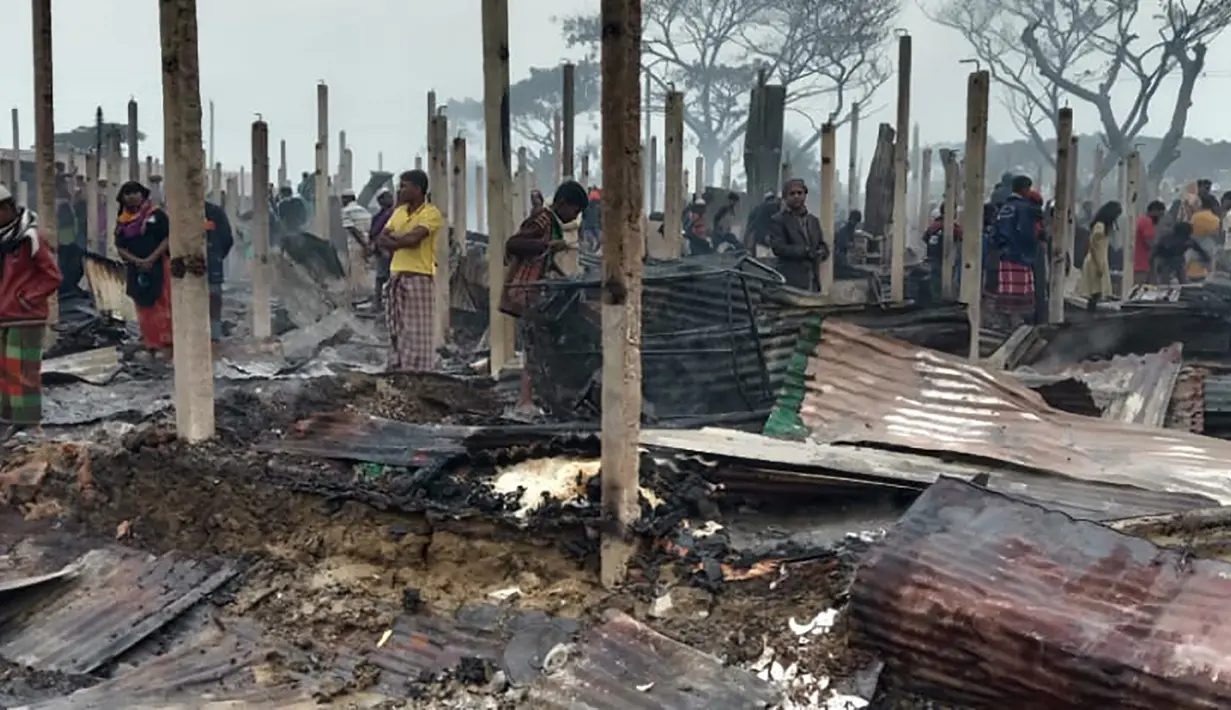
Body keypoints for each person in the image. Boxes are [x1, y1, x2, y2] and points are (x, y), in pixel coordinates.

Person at [500, 181, 589, 415]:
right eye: (575, 211)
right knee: (532, 344)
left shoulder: (552, 223)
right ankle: (526, 400)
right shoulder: (543, 220)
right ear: (562, 203)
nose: (574, 216)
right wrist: (548, 244)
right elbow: (514, 243)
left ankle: (537, 396)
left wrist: (567, 279)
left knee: (539, 343)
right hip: (527, 290)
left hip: (536, 291)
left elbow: (546, 261)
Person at [0, 185, 62, 439]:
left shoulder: (30, 237)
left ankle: (29, 423)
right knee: (4, 369)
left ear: (7, 209)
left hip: (25, 316)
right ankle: (8, 418)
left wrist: (27, 298)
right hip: (4, 315)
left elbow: (52, 276)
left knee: (22, 369)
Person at [376, 170, 443, 372]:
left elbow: (413, 241)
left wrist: (395, 240)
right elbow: (380, 239)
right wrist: (401, 239)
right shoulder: (398, 213)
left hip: (419, 277)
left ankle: (418, 371)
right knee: (396, 328)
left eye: (404, 186)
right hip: (397, 275)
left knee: (417, 331)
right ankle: (400, 367)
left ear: (418, 188)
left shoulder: (430, 213)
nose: (400, 190)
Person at [114, 181, 173, 358]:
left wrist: (151, 258)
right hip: (135, 268)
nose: (131, 196)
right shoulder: (121, 221)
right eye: (127, 193)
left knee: (161, 303)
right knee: (142, 305)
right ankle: (151, 342)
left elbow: (167, 238)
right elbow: (120, 246)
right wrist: (138, 261)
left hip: (159, 265)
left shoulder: (156, 215)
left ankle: (166, 342)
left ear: (143, 195)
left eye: (135, 192)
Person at [990, 176, 1042, 325]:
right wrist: (1030, 250)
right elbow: (1027, 233)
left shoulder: (1004, 206)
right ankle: (1016, 323)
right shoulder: (1024, 207)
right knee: (1020, 295)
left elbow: (997, 230)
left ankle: (1004, 321)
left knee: (1006, 291)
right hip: (1020, 255)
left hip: (1004, 255)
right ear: (1024, 189)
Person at [769, 179, 827, 291]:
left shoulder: (813, 221)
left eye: (800, 193)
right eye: (792, 193)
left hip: (812, 280)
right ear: (785, 198)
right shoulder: (779, 220)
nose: (796, 196)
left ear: (805, 196)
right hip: (791, 280)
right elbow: (778, 248)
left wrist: (821, 252)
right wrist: (805, 251)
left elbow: (821, 244)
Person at [1082, 201, 1121, 311]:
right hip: (1096, 262)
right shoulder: (1100, 226)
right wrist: (1099, 265)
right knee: (1095, 292)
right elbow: (1094, 246)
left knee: (1097, 291)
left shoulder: (1101, 226)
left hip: (1098, 261)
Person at [204, 200, 234, 343]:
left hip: (212, 263)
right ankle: (212, 335)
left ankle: (214, 335)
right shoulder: (176, 211)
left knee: (213, 298)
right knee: (213, 299)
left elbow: (226, 238)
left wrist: (216, 254)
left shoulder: (215, 212)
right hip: (205, 263)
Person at [340, 188, 374, 305]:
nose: (341, 202)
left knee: (357, 270)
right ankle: (356, 294)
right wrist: (368, 244)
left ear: (346, 199)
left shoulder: (346, 211)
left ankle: (362, 297)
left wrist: (364, 245)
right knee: (362, 268)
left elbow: (352, 229)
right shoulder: (363, 210)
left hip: (357, 244)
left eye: (342, 199)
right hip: (367, 241)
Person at [369, 188, 396, 309]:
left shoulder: (391, 213)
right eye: (387, 196)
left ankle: (384, 303)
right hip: (385, 249)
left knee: (388, 277)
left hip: (391, 248)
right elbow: (374, 232)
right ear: (381, 200)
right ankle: (379, 303)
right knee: (382, 277)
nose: (391, 198)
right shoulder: (385, 215)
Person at [1134, 200, 1166, 285]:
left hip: (1139, 265)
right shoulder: (1147, 222)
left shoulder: (1140, 220)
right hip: (1140, 266)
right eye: (1160, 214)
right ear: (1154, 211)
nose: (1161, 218)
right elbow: (1151, 244)